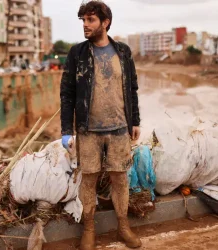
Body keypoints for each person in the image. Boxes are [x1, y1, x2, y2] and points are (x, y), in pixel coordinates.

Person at [60, 1, 142, 249]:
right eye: (83, 20)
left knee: (120, 179)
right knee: (89, 181)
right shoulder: (77, 53)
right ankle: (89, 229)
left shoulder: (123, 52)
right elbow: (67, 93)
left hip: (119, 129)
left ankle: (123, 227)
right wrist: (66, 130)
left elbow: (132, 89)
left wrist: (135, 120)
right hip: (88, 130)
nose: (85, 25)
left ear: (105, 22)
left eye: (90, 20)